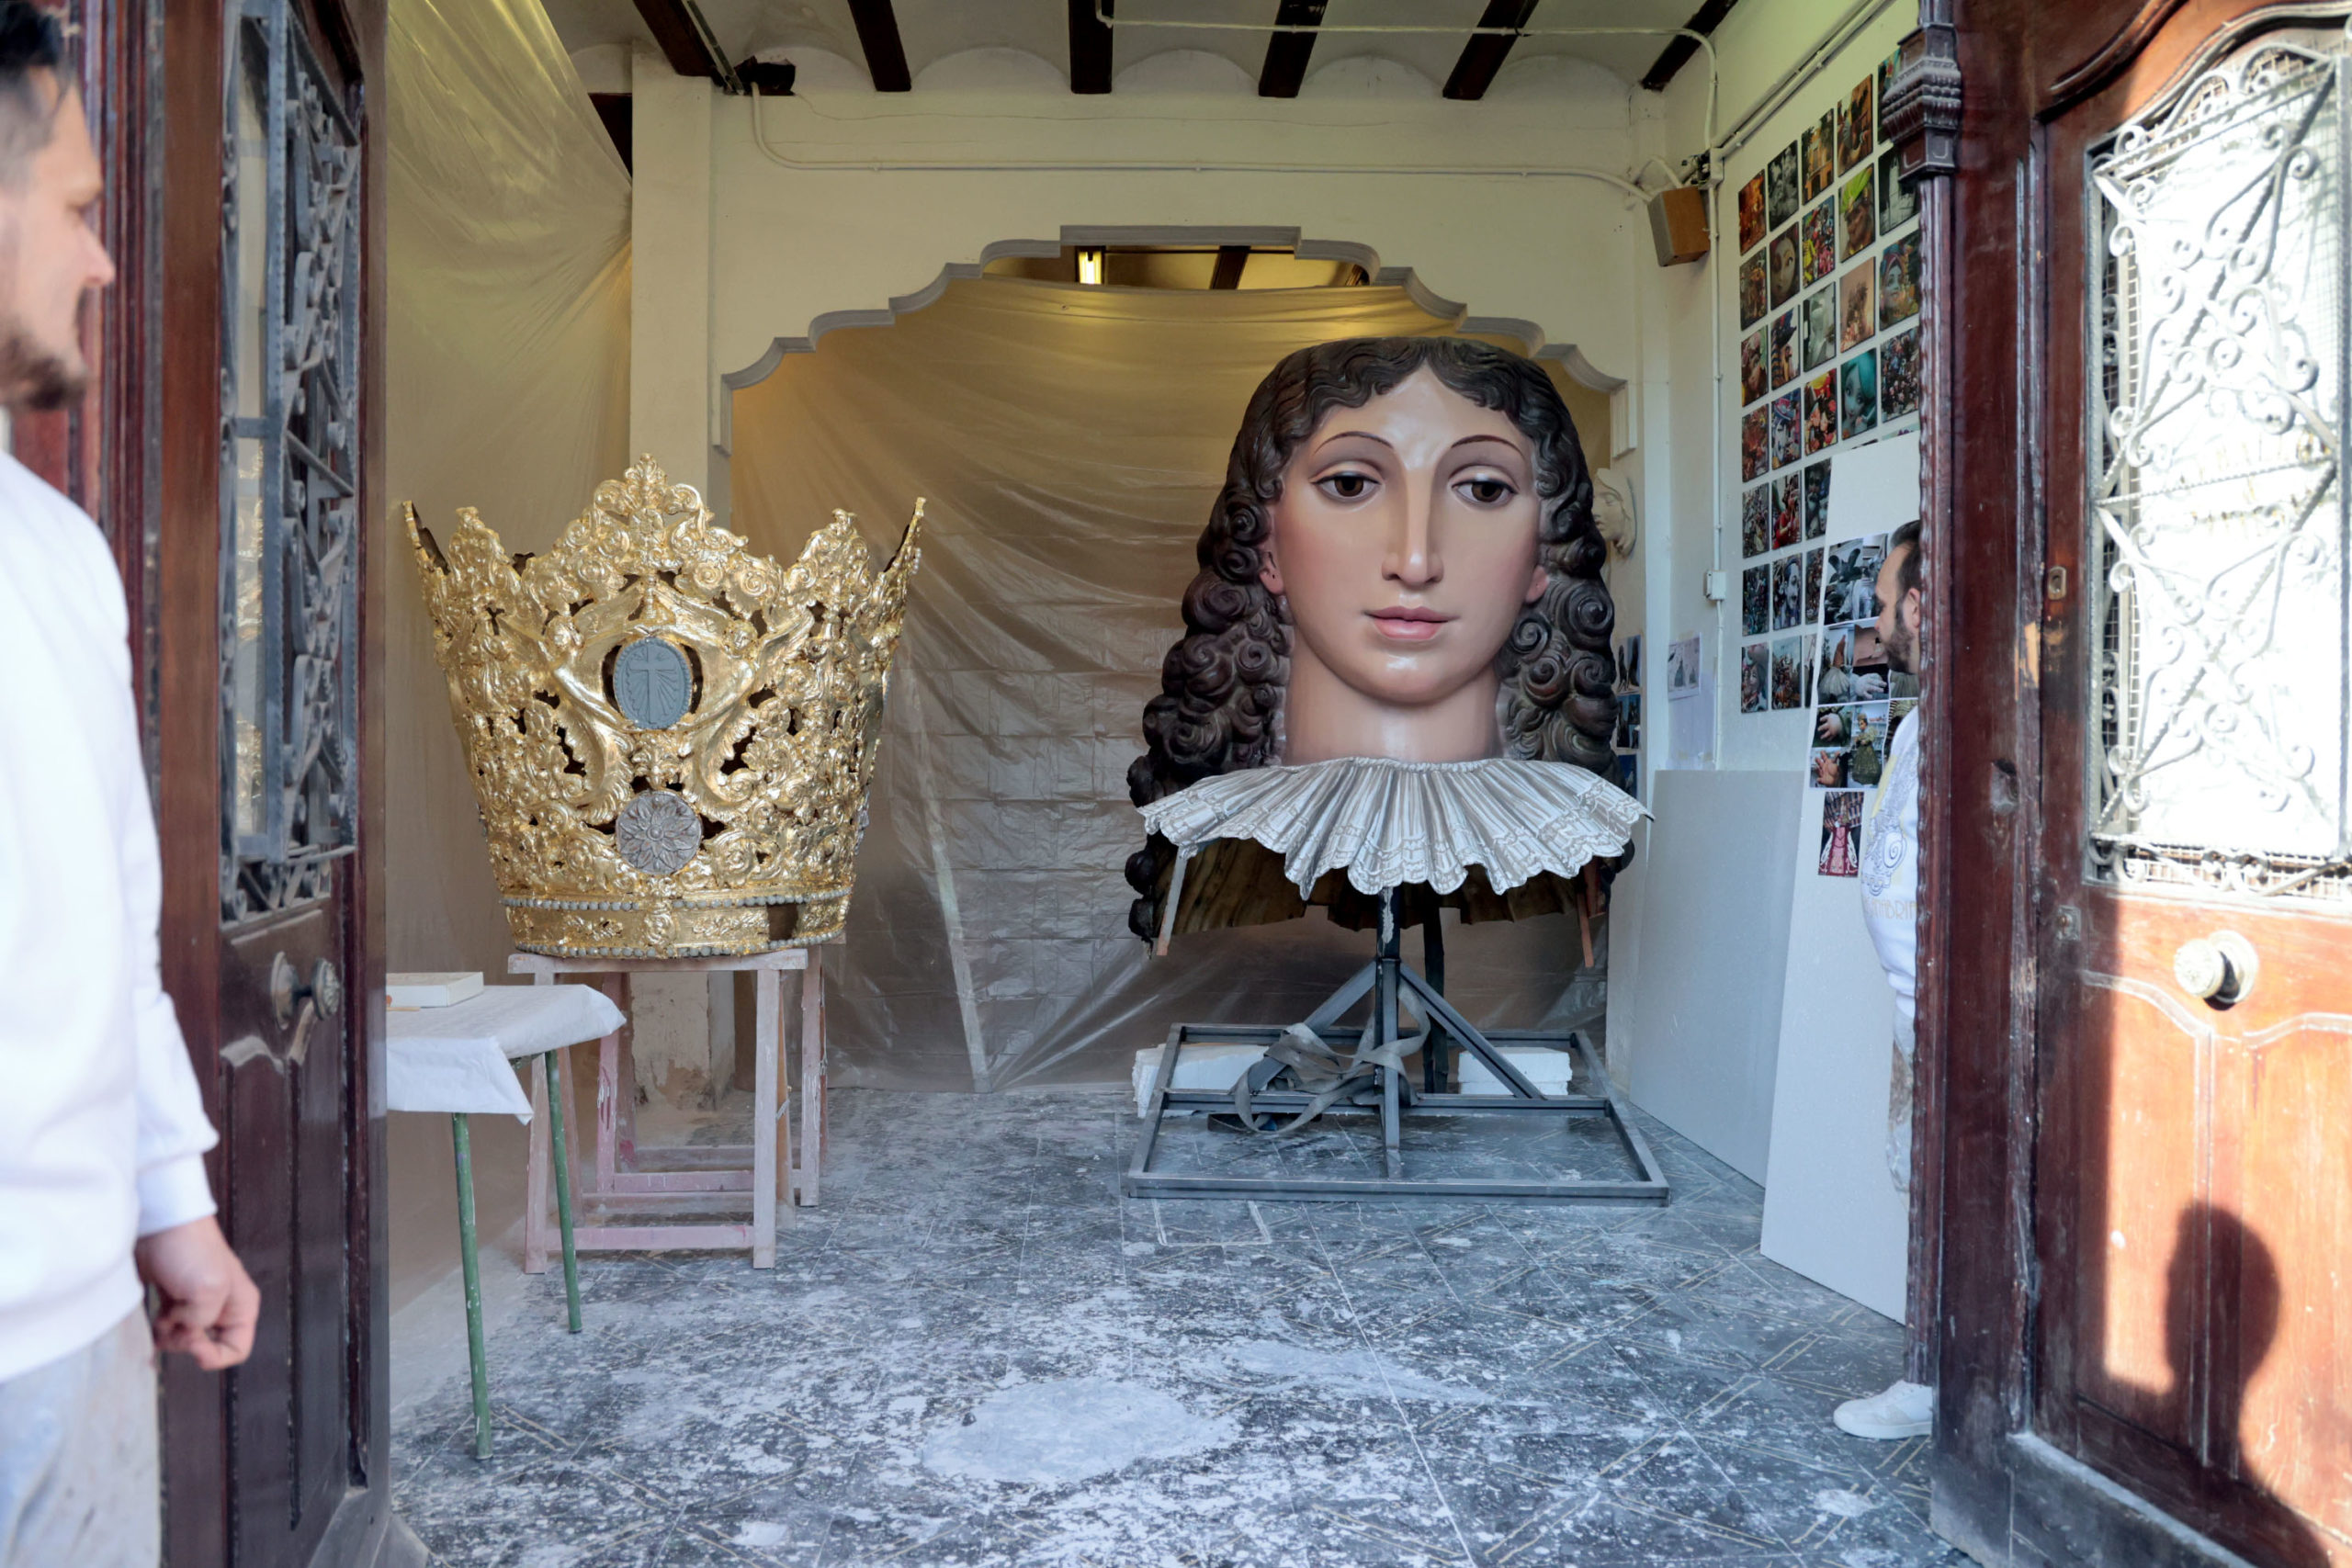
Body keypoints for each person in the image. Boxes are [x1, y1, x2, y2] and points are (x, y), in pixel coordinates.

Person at [0, 10, 260, 1564]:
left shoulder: (61, 553)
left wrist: (171, 1196)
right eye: (78, 207)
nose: (106, 261)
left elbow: (108, 919)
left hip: (74, 1312)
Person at [1833, 517, 1928, 1440]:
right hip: (1913, 1011)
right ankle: (1931, 1374)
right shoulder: (1915, 722)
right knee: (1926, 1191)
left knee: (1955, 1199)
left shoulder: (1971, 718)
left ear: (1917, 606)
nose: (1875, 625)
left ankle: (1936, 1386)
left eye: (1883, 604)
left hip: (1952, 1010)